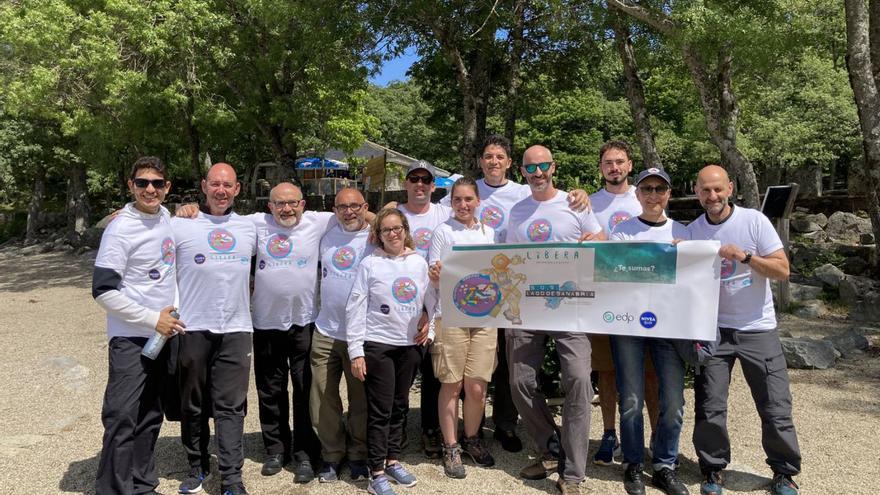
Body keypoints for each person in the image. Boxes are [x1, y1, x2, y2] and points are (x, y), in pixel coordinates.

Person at [438, 134, 592, 452]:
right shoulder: (469, 190)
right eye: (488, 156)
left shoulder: (524, 190)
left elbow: (552, 195)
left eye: (500, 157)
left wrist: (580, 195)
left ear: (511, 164)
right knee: (491, 364)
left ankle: (506, 426)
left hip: (517, 288)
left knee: (510, 366)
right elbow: (432, 215)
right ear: (481, 161)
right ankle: (464, 431)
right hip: (478, 288)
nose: (494, 161)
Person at [688, 165, 801, 495]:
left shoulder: (754, 221)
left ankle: (784, 472)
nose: (713, 196)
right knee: (710, 406)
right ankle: (712, 469)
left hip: (758, 328)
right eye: (706, 190)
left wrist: (747, 256)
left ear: (731, 188)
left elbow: (782, 271)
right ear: (697, 192)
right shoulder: (694, 231)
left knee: (775, 405)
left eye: (718, 189)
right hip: (714, 330)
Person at [505, 145, 603, 495]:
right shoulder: (517, 211)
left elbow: (601, 239)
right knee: (519, 382)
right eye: (531, 167)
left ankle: (573, 472)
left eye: (543, 165)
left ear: (553, 167)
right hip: (527, 308)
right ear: (522, 171)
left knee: (578, 380)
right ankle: (550, 447)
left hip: (571, 306)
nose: (538, 172)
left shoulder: (575, 202)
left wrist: (596, 238)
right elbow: (506, 258)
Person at [92, 156, 185, 495]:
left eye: (157, 183)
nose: (150, 189)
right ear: (130, 186)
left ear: (167, 188)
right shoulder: (120, 228)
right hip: (130, 336)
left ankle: (143, 484)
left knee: (149, 414)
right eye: (143, 182)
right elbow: (103, 291)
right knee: (121, 415)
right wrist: (152, 319)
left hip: (162, 336)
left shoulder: (166, 218)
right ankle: (113, 489)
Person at [172, 163, 257, 495]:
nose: (221, 190)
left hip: (236, 328)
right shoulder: (181, 224)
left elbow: (298, 223)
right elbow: (142, 220)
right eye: (215, 184)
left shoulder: (250, 227)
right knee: (193, 402)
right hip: (192, 326)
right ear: (204, 186)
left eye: (228, 185)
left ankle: (232, 478)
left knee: (231, 405)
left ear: (237, 190)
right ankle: (197, 465)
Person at [608, 168, 690, 495]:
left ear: (669, 194)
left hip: (670, 325)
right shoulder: (622, 232)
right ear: (637, 194)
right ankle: (633, 463)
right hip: (628, 323)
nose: (653, 195)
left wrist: (687, 253)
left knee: (673, 400)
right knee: (630, 398)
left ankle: (665, 465)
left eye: (660, 189)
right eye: (647, 189)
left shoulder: (683, 232)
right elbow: (613, 275)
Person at [347, 208, 437, 495]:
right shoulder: (370, 264)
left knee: (399, 406)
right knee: (381, 410)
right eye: (386, 230)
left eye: (397, 228)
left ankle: (393, 459)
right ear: (379, 235)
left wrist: (430, 328)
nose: (393, 234)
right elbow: (356, 308)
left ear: (405, 229)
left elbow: (432, 301)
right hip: (379, 346)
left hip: (410, 346)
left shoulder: (419, 262)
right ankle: (376, 473)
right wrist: (355, 351)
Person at [588, 140, 660, 466]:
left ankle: (657, 436)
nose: (614, 167)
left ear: (629, 165)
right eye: (608, 163)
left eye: (619, 162)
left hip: (643, 300)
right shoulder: (588, 204)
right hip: (604, 298)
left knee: (649, 373)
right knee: (607, 372)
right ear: (601, 167)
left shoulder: (646, 196)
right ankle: (609, 434)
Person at [427, 177, 497, 478]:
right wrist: (436, 272)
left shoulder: (489, 232)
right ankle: (451, 445)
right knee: (452, 385)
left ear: (478, 201)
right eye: (458, 200)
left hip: (484, 318)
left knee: (478, 386)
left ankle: (471, 439)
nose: (464, 205)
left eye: (469, 199)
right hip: (451, 316)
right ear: (451, 202)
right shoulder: (443, 232)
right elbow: (433, 275)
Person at [309, 188, 375, 483]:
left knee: (360, 399)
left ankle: (359, 454)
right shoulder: (326, 232)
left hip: (360, 334)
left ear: (365, 207)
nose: (349, 212)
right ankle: (332, 455)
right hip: (325, 330)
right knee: (323, 397)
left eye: (355, 206)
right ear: (334, 209)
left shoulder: (377, 236)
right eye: (342, 207)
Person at [395, 161, 452, 459]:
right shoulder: (395, 214)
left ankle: (431, 430)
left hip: (438, 304)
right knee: (402, 372)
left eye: (425, 180)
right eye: (413, 179)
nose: (419, 184)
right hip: (402, 304)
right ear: (405, 184)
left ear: (433, 186)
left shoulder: (445, 212)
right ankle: (398, 427)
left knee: (433, 374)